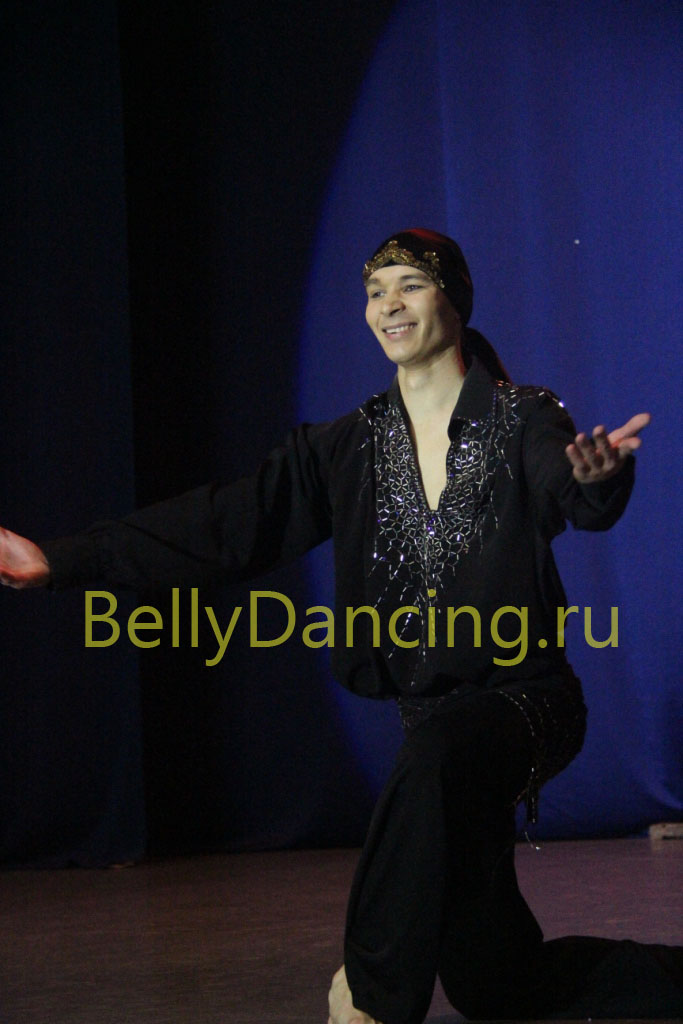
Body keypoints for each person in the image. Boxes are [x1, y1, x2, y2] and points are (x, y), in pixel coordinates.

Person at [0, 229, 680, 1023]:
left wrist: (595, 478)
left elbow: (571, 489)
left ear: (453, 299)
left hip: (525, 705)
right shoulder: (345, 447)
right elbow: (224, 526)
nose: (388, 304)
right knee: (497, 983)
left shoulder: (520, 418)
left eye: (409, 284)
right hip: (432, 725)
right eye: (374, 290)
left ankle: (370, 997)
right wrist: (62, 560)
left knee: (435, 757)